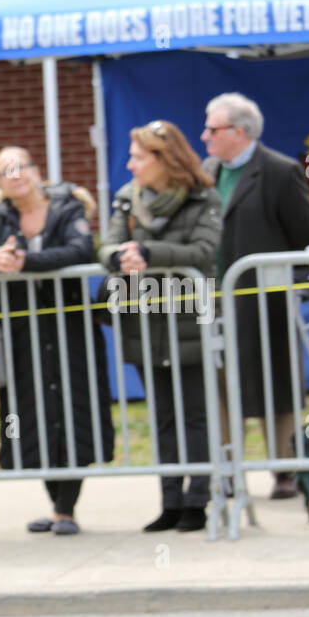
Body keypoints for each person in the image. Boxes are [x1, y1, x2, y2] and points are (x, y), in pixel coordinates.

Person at [0, 146, 111, 535]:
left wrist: (24, 261)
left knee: (73, 409)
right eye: (4, 170)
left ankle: (66, 509)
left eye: (20, 166)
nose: (14, 174)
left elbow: (80, 250)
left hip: (71, 329)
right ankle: (57, 505)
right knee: (34, 411)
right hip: (24, 335)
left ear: (36, 170)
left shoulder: (67, 206)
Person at [99, 120, 223, 533]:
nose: (131, 164)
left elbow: (203, 251)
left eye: (138, 157)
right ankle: (170, 500)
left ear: (162, 159)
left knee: (195, 414)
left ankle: (198, 500)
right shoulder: (125, 199)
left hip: (189, 320)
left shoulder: (202, 197)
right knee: (164, 416)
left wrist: (151, 252)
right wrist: (121, 258)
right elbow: (107, 245)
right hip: (144, 322)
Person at [201, 92, 309, 500]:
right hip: (216, 299)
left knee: (276, 381)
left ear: (239, 131)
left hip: (265, 299)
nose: (205, 137)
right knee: (221, 382)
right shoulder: (207, 171)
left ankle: (284, 468)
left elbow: (305, 235)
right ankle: (229, 467)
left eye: (212, 129)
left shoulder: (279, 171)